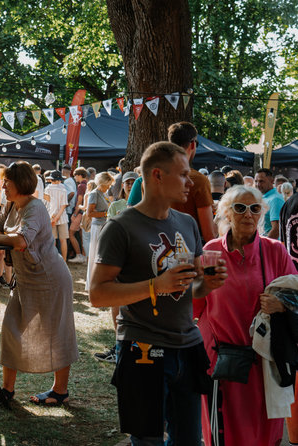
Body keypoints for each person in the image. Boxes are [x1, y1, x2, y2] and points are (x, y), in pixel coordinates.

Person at [89, 141, 227, 445]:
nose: (191, 182)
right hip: (144, 350)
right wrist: (156, 285)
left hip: (188, 346)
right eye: (183, 175)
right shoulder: (121, 227)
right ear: (157, 175)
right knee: (148, 441)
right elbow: (97, 295)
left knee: (189, 441)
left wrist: (207, 284)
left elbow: (191, 286)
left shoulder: (187, 222)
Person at [0, 161, 77, 406]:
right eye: (3, 181)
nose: (3, 185)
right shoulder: (10, 204)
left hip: (50, 278)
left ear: (21, 183)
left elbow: (21, 240)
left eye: (7, 181)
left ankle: (60, 391)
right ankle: (7, 390)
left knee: (57, 332)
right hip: (25, 279)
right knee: (11, 330)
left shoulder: (35, 207)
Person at [194, 185, 297, 446]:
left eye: (255, 209)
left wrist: (281, 304)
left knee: (264, 432)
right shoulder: (211, 251)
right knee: (224, 433)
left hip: (265, 363)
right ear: (227, 213)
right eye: (240, 208)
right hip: (222, 363)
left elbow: (294, 296)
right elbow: (195, 308)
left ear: (262, 213)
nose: (248, 214)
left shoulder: (275, 250)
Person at [93, 171, 138, 363]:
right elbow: (108, 228)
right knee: (116, 303)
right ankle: (119, 345)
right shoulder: (116, 205)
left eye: (133, 182)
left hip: (137, 257)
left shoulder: (147, 207)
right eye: (126, 182)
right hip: (119, 256)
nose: (129, 185)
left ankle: (132, 346)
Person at [167, 122, 216, 243]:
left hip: (158, 250)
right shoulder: (198, 180)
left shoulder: (151, 176)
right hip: (188, 252)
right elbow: (209, 236)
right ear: (193, 144)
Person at [85, 171, 114, 291]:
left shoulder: (104, 193)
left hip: (104, 225)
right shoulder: (94, 194)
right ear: (102, 183)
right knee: (94, 253)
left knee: (101, 254)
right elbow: (89, 213)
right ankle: (91, 283)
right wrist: (106, 213)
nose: (109, 187)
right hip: (98, 226)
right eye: (108, 184)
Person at [44, 171, 69, 260]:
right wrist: (57, 217)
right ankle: (64, 261)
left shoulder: (47, 189)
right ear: (59, 180)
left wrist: (53, 219)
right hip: (62, 217)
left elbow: (48, 204)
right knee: (63, 240)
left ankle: (53, 261)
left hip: (51, 217)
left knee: (52, 241)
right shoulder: (63, 190)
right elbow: (63, 206)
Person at [255, 168, 284, 239]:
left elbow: (276, 229)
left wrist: (263, 246)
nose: (258, 184)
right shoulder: (263, 197)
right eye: (256, 181)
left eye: (261, 181)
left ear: (272, 181)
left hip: (270, 246)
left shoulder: (275, 199)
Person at [68, 167, 88, 264]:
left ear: (79, 175)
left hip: (79, 213)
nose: (75, 177)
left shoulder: (81, 186)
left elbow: (79, 201)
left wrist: (74, 214)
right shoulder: (87, 184)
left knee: (71, 234)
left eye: (75, 175)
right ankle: (84, 256)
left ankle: (79, 255)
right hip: (84, 213)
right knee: (82, 236)